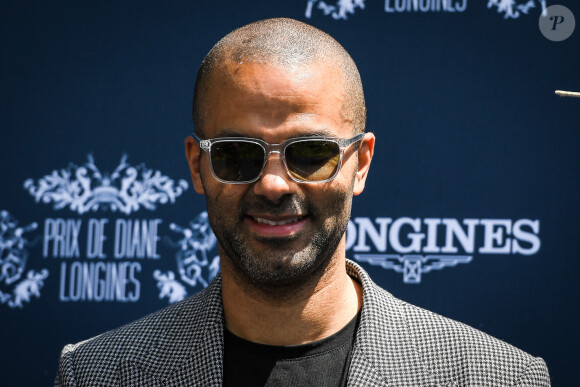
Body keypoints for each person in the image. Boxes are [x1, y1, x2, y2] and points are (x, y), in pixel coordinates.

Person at [55, 18, 550, 386]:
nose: (273, 185)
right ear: (196, 165)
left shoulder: (496, 376)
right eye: (236, 155)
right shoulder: (97, 373)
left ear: (361, 163)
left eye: (311, 154)